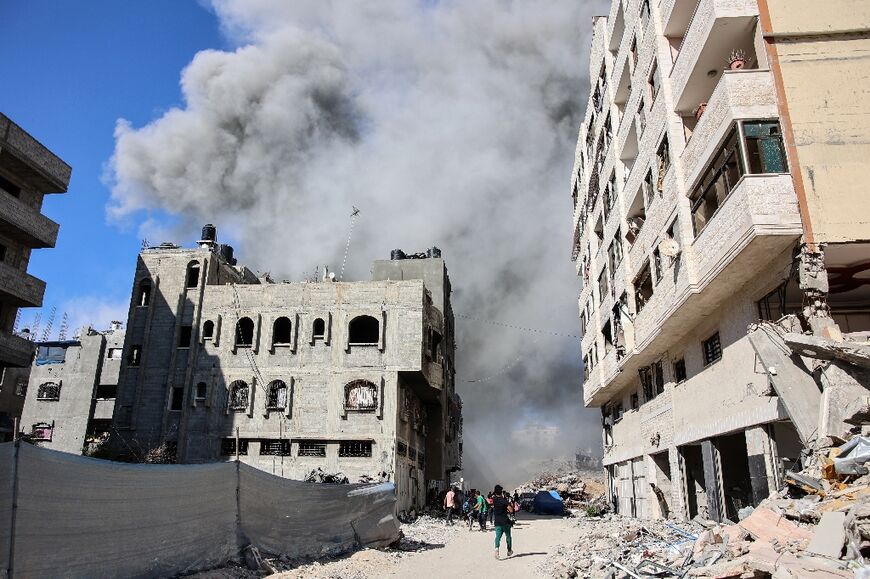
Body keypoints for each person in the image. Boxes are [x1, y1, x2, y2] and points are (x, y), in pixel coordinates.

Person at [491, 485, 514, 559]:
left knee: (498, 537)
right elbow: (511, 510)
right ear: (501, 492)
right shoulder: (503, 500)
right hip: (505, 521)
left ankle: (496, 550)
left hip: (497, 521)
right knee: (508, 536)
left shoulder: (494, 499)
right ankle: (509, 550)